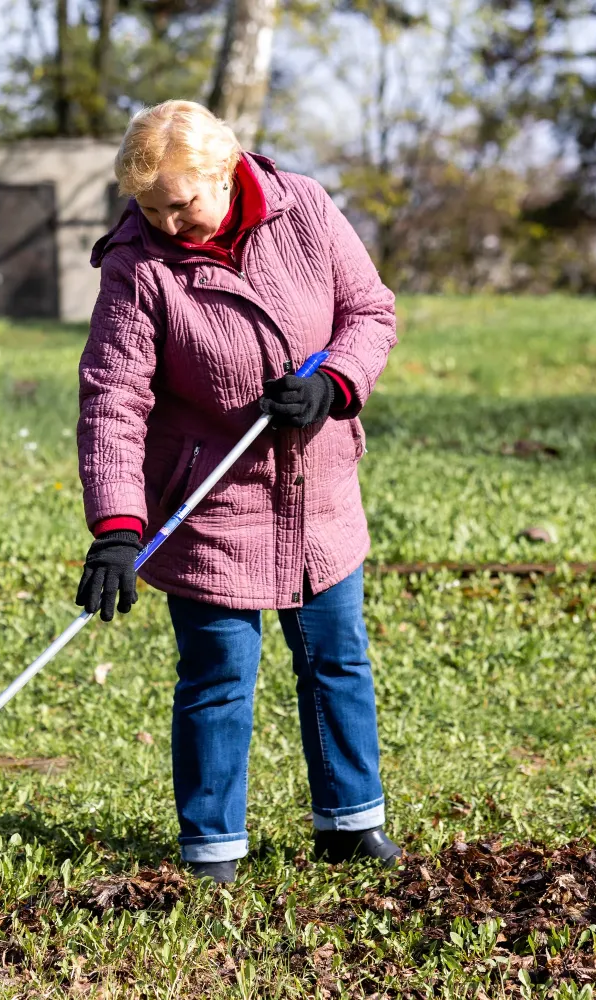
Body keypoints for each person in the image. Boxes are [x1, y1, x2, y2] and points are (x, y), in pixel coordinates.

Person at [75, 100, 400, 883]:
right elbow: (114, 397)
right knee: (218, 676)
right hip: (210, 504)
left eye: (180, 204)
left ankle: (350, 825)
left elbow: (370, 312)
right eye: (149, 208)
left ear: (225, 172)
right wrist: (119, 525)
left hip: (316, 493)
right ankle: (213, 849)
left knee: (337, 660)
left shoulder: (306, 208)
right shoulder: (137, 264)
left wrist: (332, 383)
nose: (166, 222)